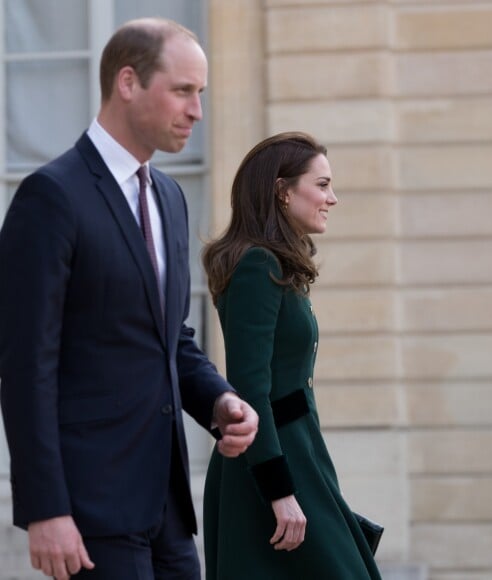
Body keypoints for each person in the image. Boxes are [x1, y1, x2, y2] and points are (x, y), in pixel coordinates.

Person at [0, 17, 258, 580]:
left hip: (165, 504)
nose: (196, 111)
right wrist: (46, 508)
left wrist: (217, 402)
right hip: (89, 509)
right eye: (183, 91)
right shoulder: (51, 198)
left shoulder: (167, 198)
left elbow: (170, 339)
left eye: (202, 94)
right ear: (127, 83)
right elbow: (25, 365)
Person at [202, 132, 382, 579]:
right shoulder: (257, 267)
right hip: (267, 468)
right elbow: (249, 388)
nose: (332, 198)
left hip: (299, 454)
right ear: (283, 191)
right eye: (321, 185)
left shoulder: (278, 267)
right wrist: (278, 491)